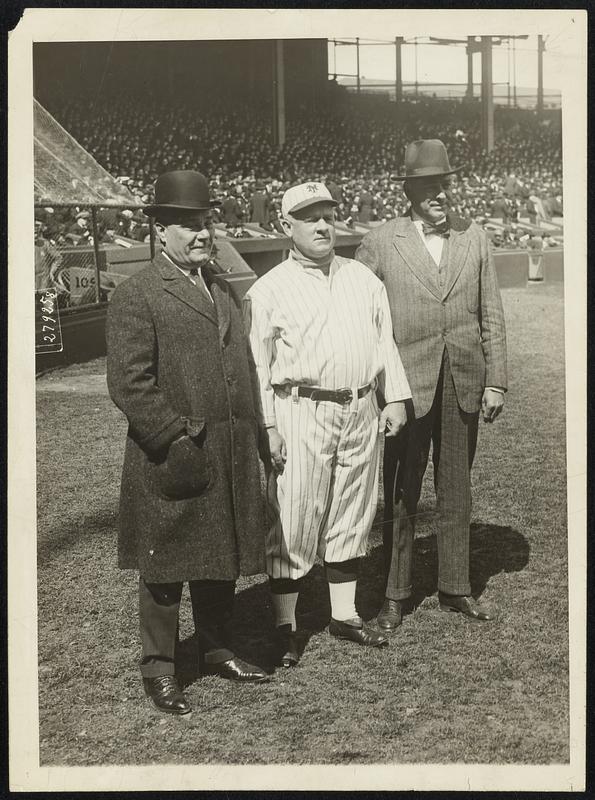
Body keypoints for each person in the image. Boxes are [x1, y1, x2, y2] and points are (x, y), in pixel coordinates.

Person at [106, 170, 269, 717]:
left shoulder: (220, 288)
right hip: (171, 453)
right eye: (188, 225)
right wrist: (176, 436)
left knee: (217, 553)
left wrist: (254, 439)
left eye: (205, 222)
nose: (201, 233)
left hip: (226, 450)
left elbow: (241, 369)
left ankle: (216, 647)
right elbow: (129, 382)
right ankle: (159, 668)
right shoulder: (139, 295)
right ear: (161, 231)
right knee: (165, 565)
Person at [245, 182, 412, 667]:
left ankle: (344, 615)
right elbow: (257, 366)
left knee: (353, 512)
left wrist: (395, 397)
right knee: (294, 516)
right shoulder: (268, 288)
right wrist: (269, 426)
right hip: (300, 410)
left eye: (328, 215)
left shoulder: (363, 278)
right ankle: (285, 627)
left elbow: (386, 344)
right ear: (286, 226)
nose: (322, 225)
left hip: (360, 407)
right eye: (309, 217)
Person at [356, 140, 507, 630]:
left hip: (464, 379)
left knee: (456, 488)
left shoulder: (474, 237)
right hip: (404, 386)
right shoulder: (381, 242)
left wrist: (497, 381)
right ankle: (396, 594)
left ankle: (455, 587)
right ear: (411, 190)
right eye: (428, 185)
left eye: (444, 184)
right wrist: (379, 389)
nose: (440, 194)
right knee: (401, 489)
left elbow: (492, 316)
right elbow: (364, 321)